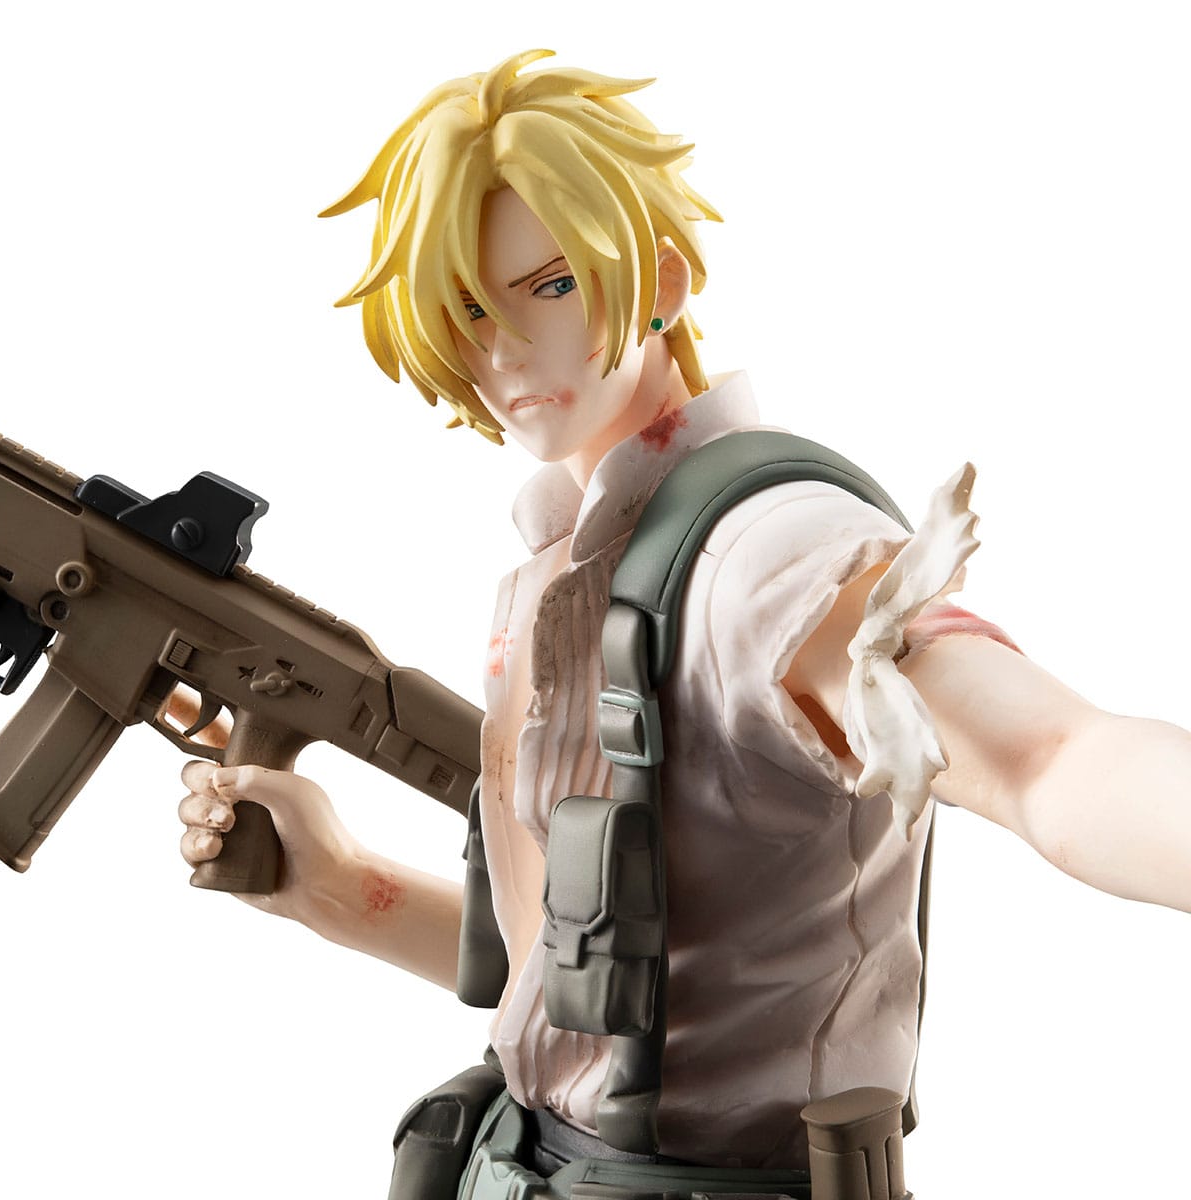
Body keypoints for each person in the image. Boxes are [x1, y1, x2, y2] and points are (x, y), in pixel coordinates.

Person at [178, 50, 1191, 1194]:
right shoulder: (558, 572)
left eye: (550, 286)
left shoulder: (765, 556)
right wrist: (340, 889)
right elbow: (574, 992)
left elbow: (1050, 755)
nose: (502, 347)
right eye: (465, 308)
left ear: (660, 279)